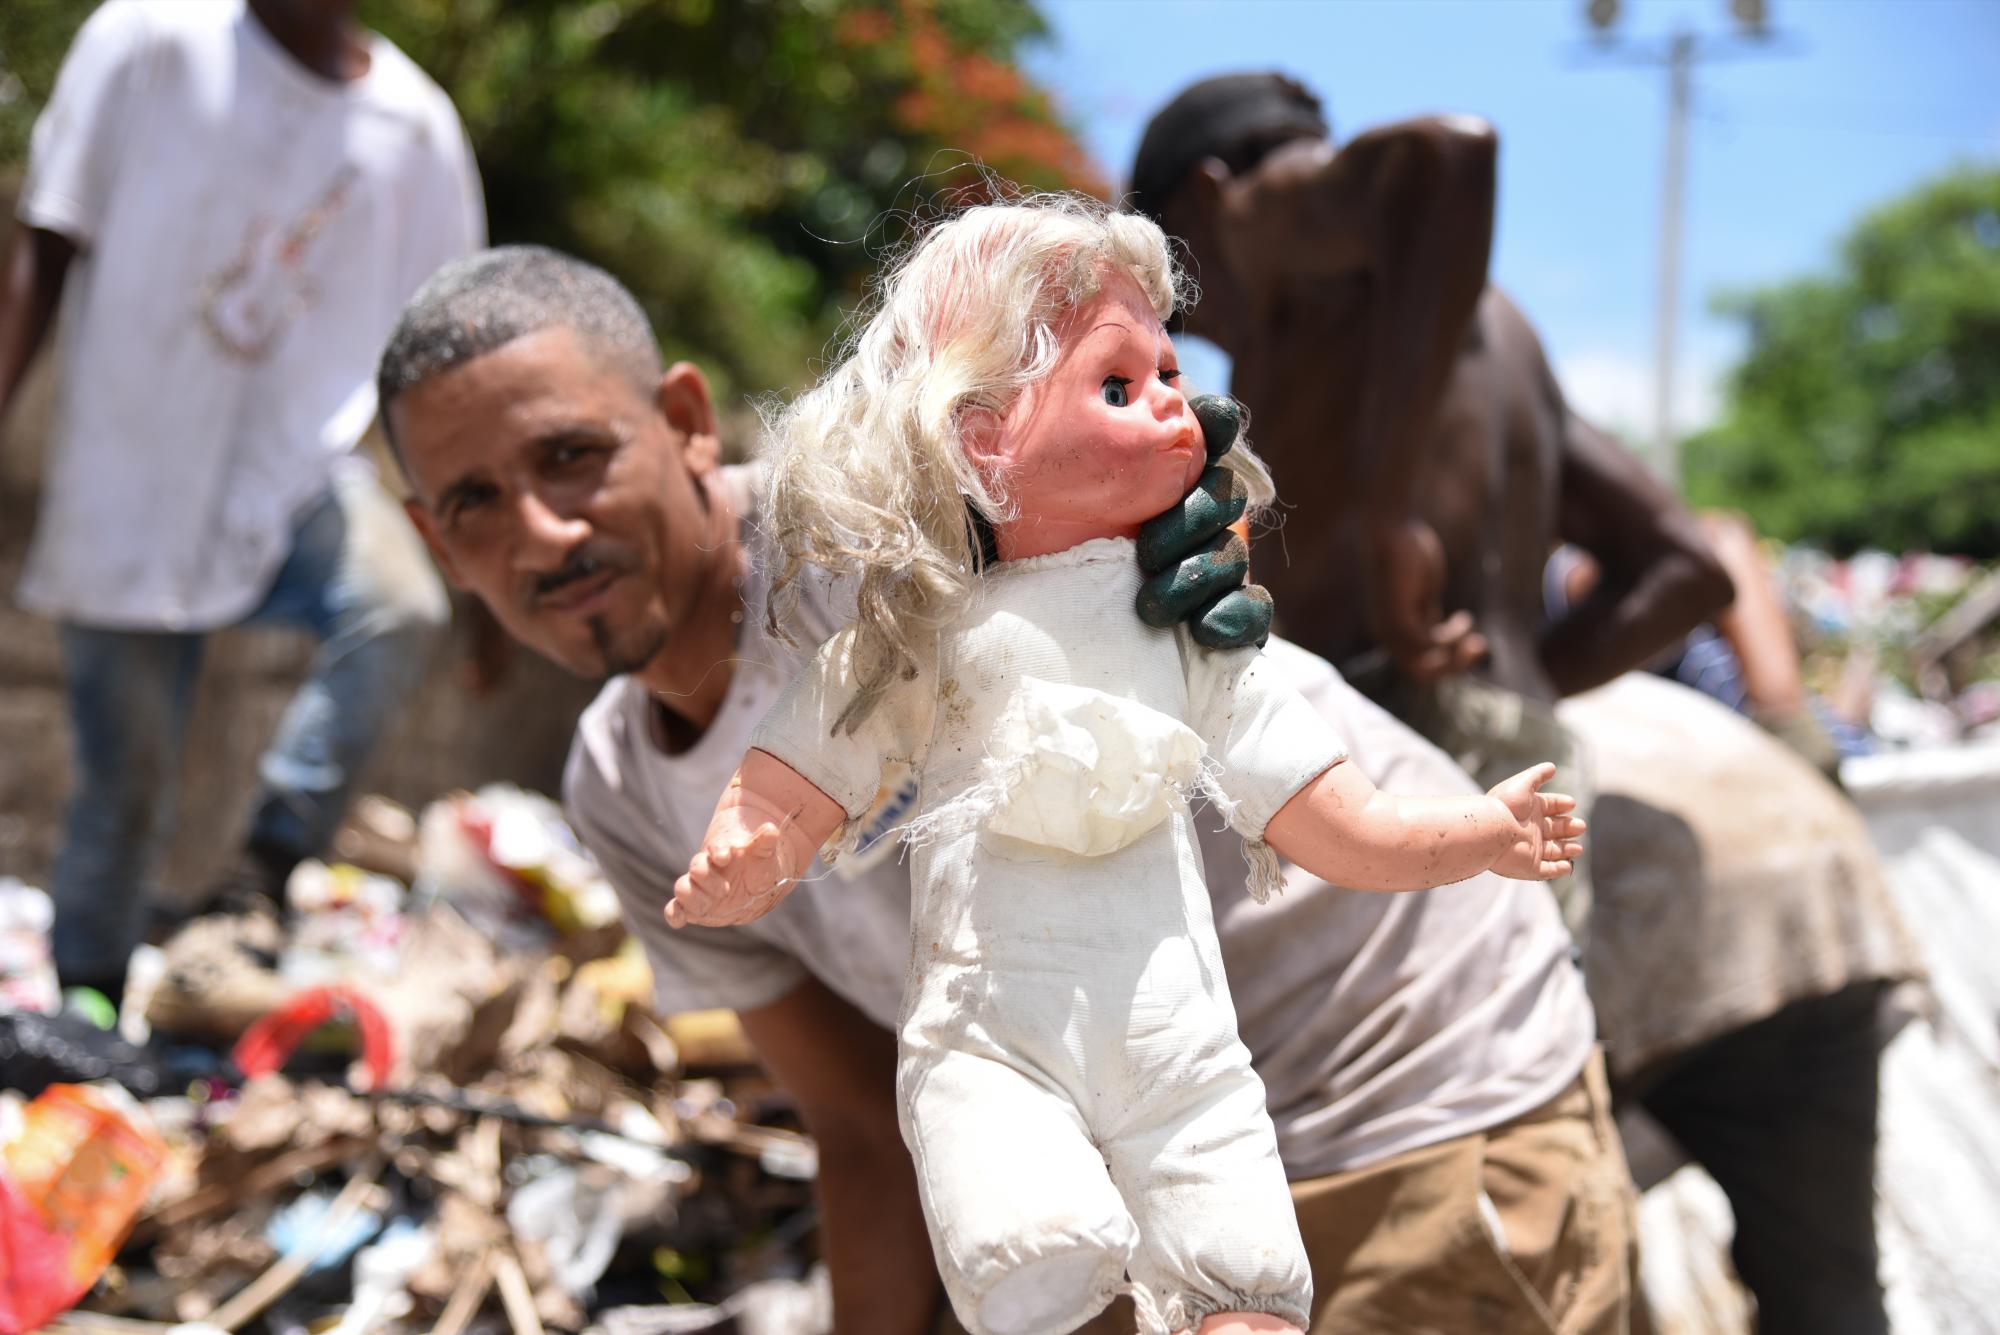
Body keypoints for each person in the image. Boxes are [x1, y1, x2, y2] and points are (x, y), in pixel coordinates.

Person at [378, 244, 1637, 1334]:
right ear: (431, 539)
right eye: (476, 500)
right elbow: (867, 1124)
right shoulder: (621, 793)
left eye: (572, 456)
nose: (542, 531)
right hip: (1138, 1168)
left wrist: (1188, 514)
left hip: (1401, 1082)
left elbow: (1075, 430)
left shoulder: (872, 542)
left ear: (685, 420)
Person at [1131, 71, 1920, 1335]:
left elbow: (1446, 150)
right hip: (1537, 754)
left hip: (1436, 776)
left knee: (1482, 1200)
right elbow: (1688, 569)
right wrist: (1515, 683)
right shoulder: (1488, 328)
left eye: (1179, 287)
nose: (1193, 331)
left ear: (1213, 201)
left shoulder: (1296, 258)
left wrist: (1388, 521)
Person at [0, 0, 484, 1004]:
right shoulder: (147, 41)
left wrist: (482, 565)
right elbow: (47, 245)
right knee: (124, 792)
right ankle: (86, 1030)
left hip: (296, 486)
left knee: (398, 607)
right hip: (124, 481)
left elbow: (441, 359)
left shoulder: (416, 130)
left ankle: (258, 872)